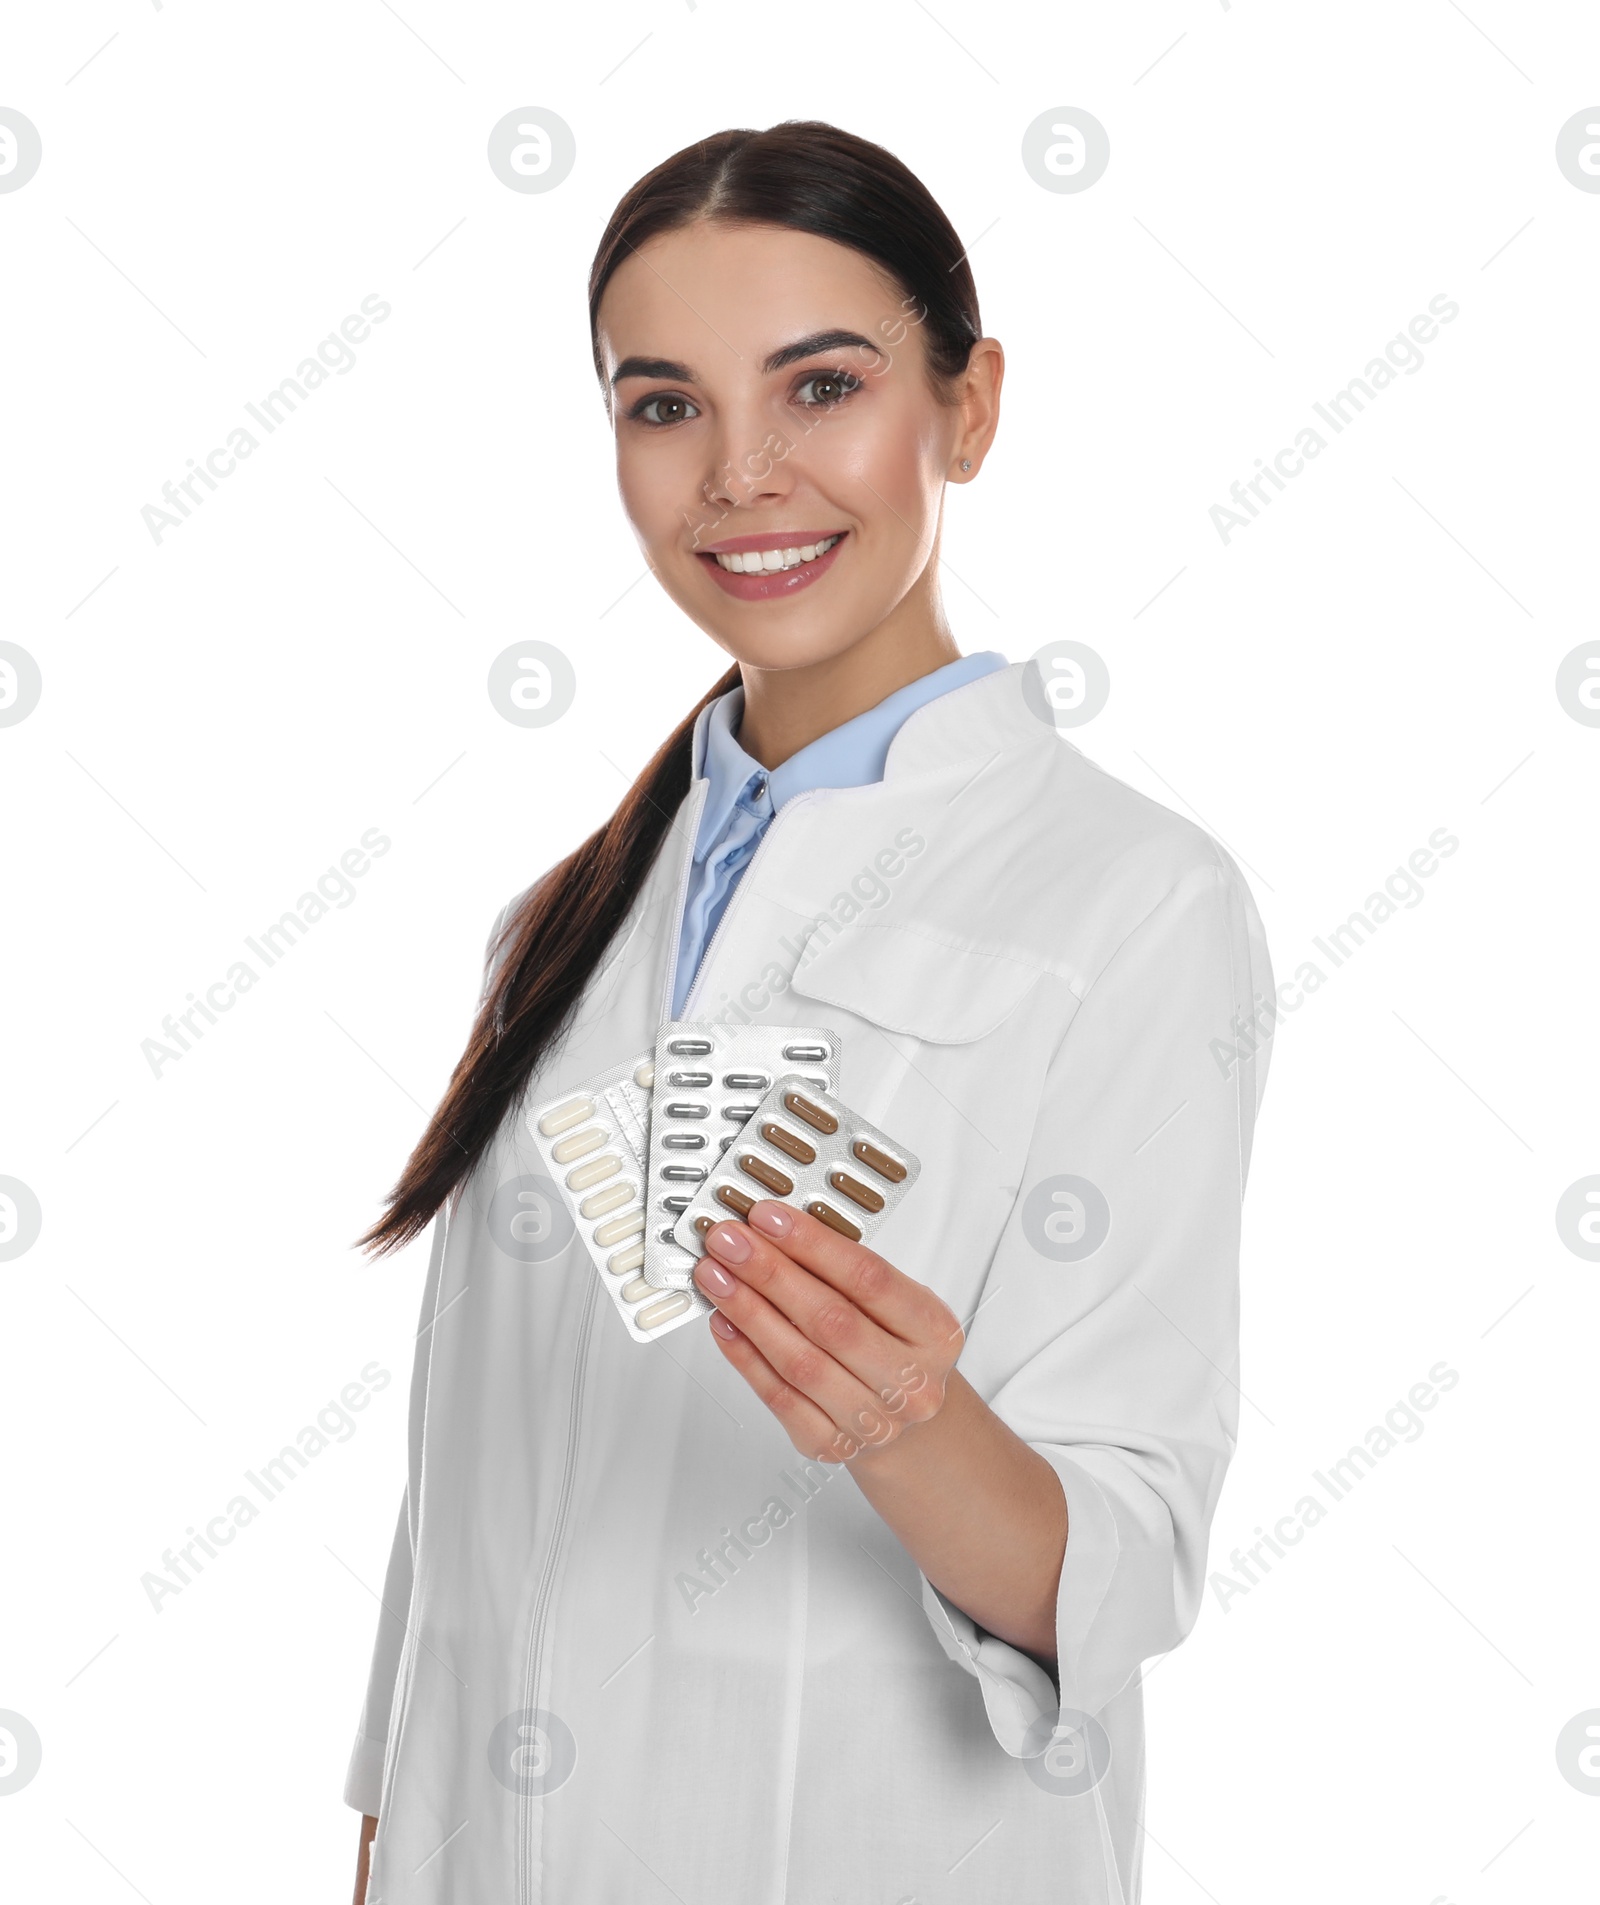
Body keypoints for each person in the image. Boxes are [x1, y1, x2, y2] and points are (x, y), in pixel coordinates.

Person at [346, 120, 1273, 1905]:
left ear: (970, 405)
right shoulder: (555, 923)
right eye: (665, 404)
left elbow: (1130, 1560)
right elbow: (451, 1522)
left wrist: (903, 1421)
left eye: (822, 385)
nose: (741, 475)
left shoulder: (1136, 900)